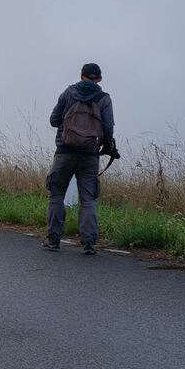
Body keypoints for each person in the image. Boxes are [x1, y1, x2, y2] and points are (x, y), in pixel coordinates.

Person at [44, 62, 117, 254]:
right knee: (88, 199)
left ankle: (53, 239)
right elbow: (108, 127)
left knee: (56, 194)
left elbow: (54, 120)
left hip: (64, 151)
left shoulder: (68, 93)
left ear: (81, 76)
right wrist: (107, 146)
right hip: (89, 155)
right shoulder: (104, 99)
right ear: (99, 79)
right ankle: (89, 243)